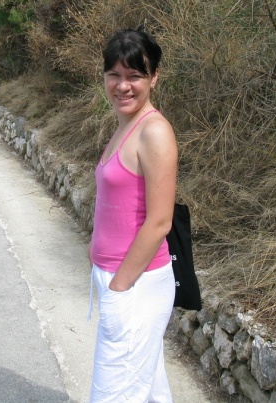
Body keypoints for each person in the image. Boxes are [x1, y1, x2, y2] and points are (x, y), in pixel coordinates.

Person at [88, 27, 178, 402]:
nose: (123, 86)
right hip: (118, 278)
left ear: (154, 78)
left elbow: (160, 221)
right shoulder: (126, 124)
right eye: (114, 75)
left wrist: (119, 287)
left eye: (135, 76)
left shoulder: (154, 132)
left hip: (136, 284)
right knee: (150, 391)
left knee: (112, 394)